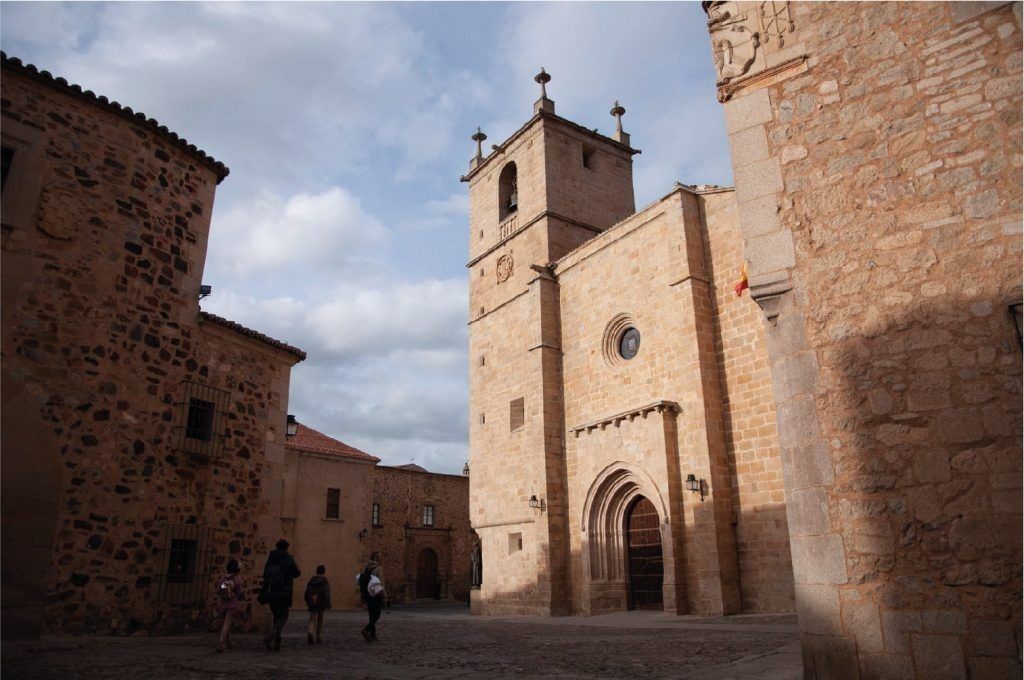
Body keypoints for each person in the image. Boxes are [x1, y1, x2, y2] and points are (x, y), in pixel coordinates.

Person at [259, 538, 301, 651]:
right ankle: (273, 634)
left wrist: (264, 592)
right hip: (284, 592)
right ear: (286, 547)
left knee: (276, 616)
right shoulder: (288, 558)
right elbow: (297, 573)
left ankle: (277, 641)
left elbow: (265, 575)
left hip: (272, 591)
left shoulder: (271, 558)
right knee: (284, 616)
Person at [215, 558, 245, 653]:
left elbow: (218, 590)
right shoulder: (237, 579)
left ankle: (228, 642)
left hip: (223, 603)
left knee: (225, 622)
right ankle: (221, 642)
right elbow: (240, 592)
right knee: (227, 623)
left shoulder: (223, 578)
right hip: (232, 604)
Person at [358, 552, 385, 642]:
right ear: (376, 558)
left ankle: (373, 635)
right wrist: (384, 595)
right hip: (376, 594)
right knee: (377, 615)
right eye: (379, 557)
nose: (381, 559)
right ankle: (366, 630)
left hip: (368, 593)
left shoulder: (366, 568)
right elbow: (381, 581)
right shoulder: (378, 569)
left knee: (371, 614)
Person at [303, 564, 332, 645]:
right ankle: (318, 637)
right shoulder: (325, 581)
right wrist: (328, 603)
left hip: (312, 602)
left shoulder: (311, 581)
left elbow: (306, 592)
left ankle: (310, 632)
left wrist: (307, 601)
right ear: (324, 572)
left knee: (312, 619)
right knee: (320, 620)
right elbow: (327, 593)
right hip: (321, 603)